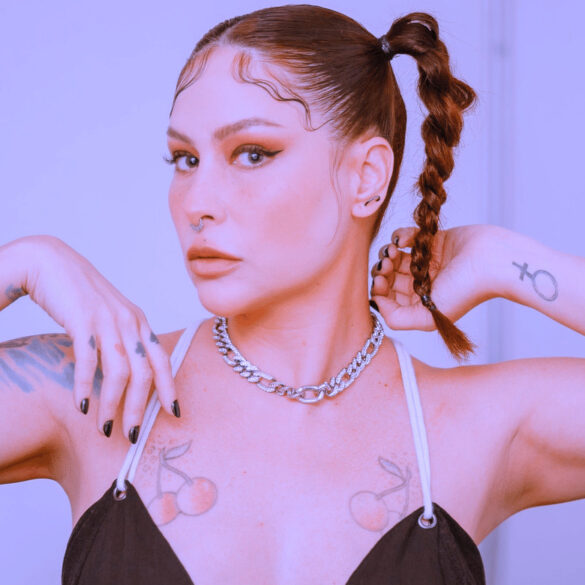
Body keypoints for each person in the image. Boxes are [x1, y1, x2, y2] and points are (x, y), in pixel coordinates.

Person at [0, 4, 584, 584]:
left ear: (366, 177)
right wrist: (27, 261)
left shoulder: (471, 428)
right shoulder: (102, 394)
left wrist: (502, 261)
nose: (197, 202)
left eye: (252, 153)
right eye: (185, 159)